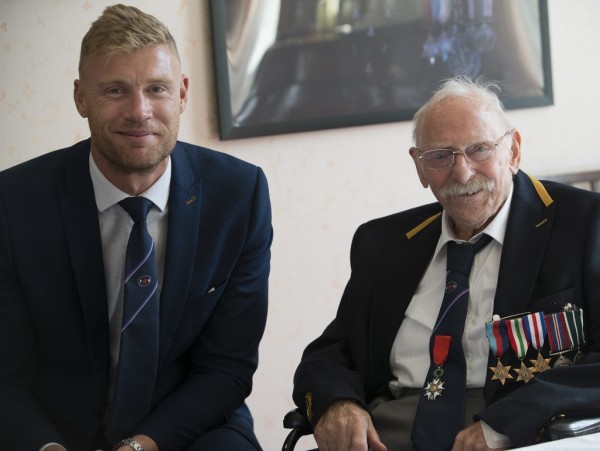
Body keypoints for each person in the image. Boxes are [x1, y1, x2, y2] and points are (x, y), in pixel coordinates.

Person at [0, 4, 272, 451]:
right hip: (53, 430)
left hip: (184, 426)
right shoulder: (14, 203)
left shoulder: (239, 195)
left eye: (156, 88)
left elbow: (226, 368)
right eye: (114, 90)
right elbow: (5, 375)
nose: (139, 111)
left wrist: (140, 446)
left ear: (182, 93)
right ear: (80, 97)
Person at [292, 77, 600, 450]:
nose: (463, 172)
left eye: (479, 150)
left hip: (518, 430)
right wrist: (337, 403)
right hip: (390, 429)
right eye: (440, 156)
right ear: (420, 167)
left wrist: (506, 424)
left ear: (514, 151)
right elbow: (331, 352)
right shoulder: (384, 243)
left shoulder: (584, 224)